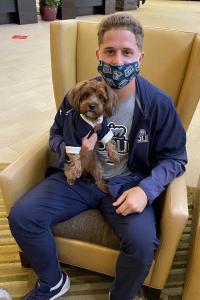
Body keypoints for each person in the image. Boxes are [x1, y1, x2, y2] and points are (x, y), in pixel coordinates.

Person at [8, 13, 187, 300]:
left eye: (127, 52)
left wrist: (146, 189)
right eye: (110, 52)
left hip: (127, 184)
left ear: (140, 58)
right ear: (98, 54)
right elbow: (54, 134)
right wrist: (71, 150)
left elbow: (176, 158)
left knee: (143, 245)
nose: (118, 61)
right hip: (78, 176)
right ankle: (52, 282)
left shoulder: (158, 104)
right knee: (22, 217)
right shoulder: (77, 95)